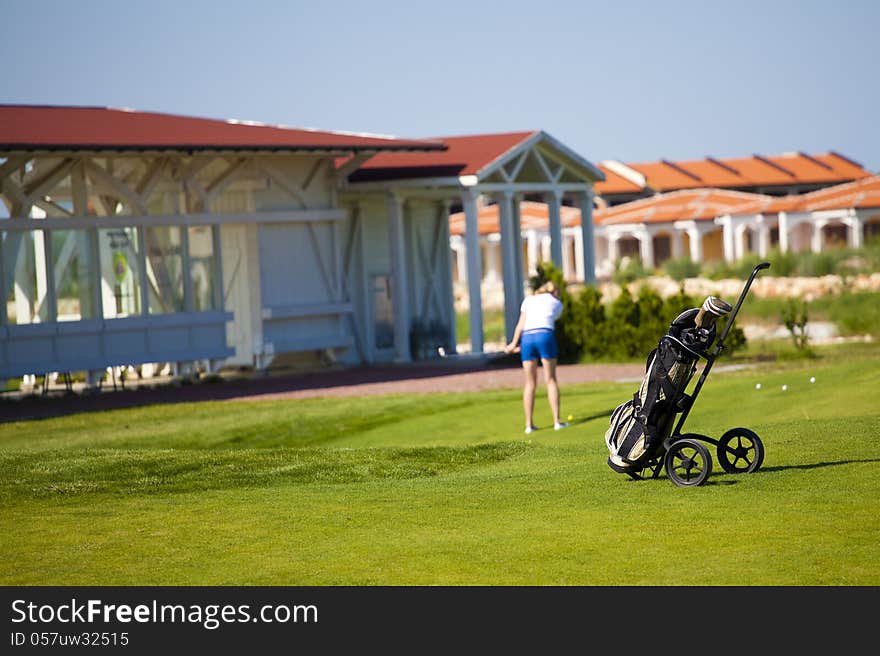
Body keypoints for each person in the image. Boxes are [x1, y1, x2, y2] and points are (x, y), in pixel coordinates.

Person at [504, 281, 569, 434]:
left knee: (530, 383)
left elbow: (520, 325)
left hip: (527, 338)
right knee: (551, 379)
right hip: (545, 335)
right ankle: (557, 422)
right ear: (555, 292)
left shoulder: (529, 300)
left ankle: (529, 425)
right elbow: (552, 319)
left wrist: (513, 344)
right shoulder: (556, 302)